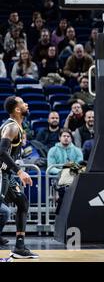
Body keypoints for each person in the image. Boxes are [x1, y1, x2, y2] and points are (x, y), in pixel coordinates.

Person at [0, 96, 39, 258]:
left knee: (22, 203)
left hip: (7, 173)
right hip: (1, 173)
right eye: (23, 103)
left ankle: (20, 247)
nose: (27, 104)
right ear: (17, 109)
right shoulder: (12, 128)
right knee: (3, 212)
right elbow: (1, 152)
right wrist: (20, 171)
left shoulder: (17, 127)